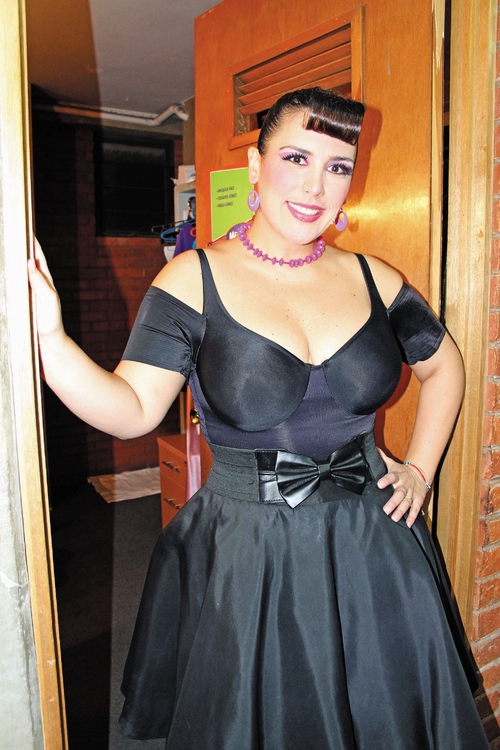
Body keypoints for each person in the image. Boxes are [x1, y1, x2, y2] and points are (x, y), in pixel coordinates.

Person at [29, 87, 489, 750]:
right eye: (296, 157)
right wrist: (51, 340)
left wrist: (420, 467)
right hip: (251, 548)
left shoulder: (376, 279)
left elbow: (445, 367)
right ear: (255, 165)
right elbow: (131, 409)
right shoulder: (192, 278)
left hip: (373, 543)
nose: (315, 185)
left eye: (337, 166)